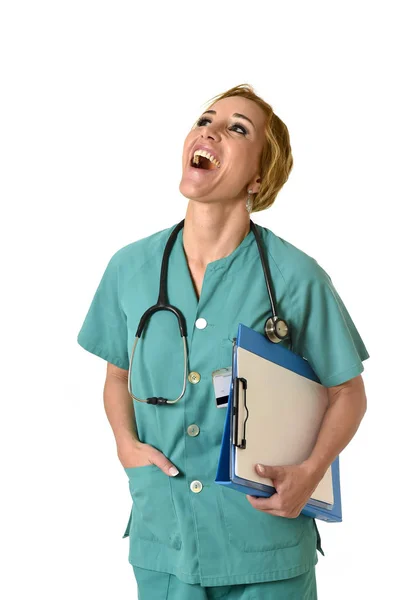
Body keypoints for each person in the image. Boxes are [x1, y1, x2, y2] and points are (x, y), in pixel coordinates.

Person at [77, 83, 369, 599]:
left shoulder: (295, 277)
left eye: (237, 127)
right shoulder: (131, 268)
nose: (209, 129)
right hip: (164, 535)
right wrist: (126, 443)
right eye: (205, 119)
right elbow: (117, 374)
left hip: (265, 544)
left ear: (259, 176)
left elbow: (348, 391)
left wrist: (310, 473)